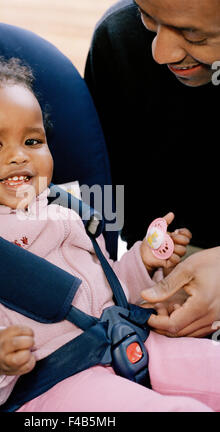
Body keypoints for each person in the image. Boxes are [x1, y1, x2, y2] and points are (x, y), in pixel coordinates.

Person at [0, 55, 220, 412]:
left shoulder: (67, 210)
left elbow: (109, 291)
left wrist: (143, 260)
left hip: (128, 342)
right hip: (51, 383)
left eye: (32, 141)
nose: (18, 156)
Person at [84, 0, 220, 338]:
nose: (161, 53)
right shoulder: (118, 39)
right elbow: (101, 192)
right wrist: (113, 272)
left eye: (194, 36)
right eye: (149, 19)